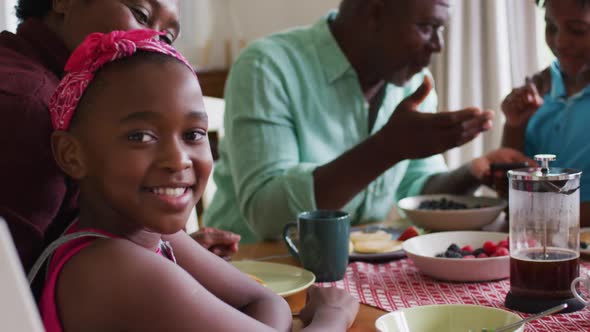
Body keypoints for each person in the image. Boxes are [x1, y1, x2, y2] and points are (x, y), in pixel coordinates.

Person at [36, 29, 359, 331]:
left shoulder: (153, 235)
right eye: (140, 136)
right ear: (72, 155)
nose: (178, 159)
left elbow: (262, 299)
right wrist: (332, 315)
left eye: (193, 134)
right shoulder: (112, 266)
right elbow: (262, 306)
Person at [203, 0, 534, 242]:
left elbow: (415, 189)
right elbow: (268, 215)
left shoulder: (409, 84)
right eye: (427, 27)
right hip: (251, 275)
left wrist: (474, 171)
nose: (438, 45)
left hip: (352, 273)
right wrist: (387, 148)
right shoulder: (268, 67)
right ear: (374, 12)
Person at [0, 0, 239, 270]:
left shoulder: (80, 100)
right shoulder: (27, 106)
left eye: (167, 37)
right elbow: (12, 287)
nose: (153, 42)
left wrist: (167, 254)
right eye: (140, 14)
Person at [501, 0, 590, 226]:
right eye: (551, 27)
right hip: (535, 241)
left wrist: (546, 217)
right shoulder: (540, 89)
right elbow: (507, 187)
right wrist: (514, 126)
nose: (560, 42)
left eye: (577, 30)